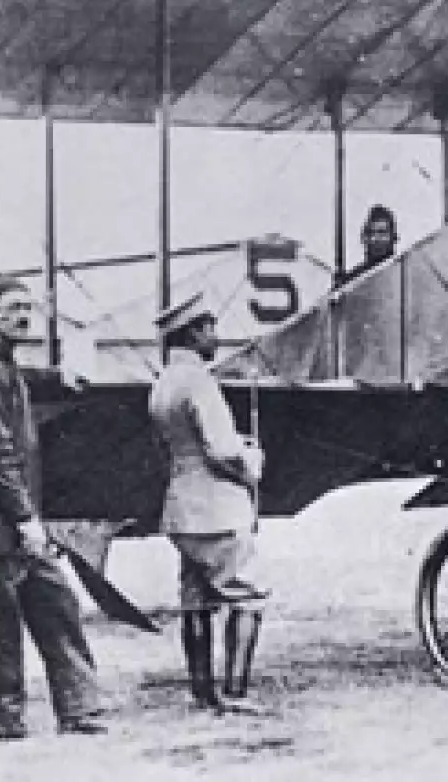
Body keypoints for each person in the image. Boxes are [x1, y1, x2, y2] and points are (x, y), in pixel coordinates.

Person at [0, 274, 106, 739]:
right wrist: (24, 519)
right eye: (13, 308)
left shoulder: (2, 369)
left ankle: (76, 709)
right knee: (2, 620)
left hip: (9, 517)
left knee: (54, 603)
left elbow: (20, 382)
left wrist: (58, 377)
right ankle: (8, 720)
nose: (24, 316)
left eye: (28, 308)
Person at [148, 295, 268, 714]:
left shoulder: (163, 381)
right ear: (194, 332)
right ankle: (236, 694)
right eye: (210, 327)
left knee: (196, 599)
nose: (215, 336)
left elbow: (166, 449)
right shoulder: (200, 381)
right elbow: (222, 451)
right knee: (247, 596)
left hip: (182, 507)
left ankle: (202, 691)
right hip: (218, 507)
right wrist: (251, 464)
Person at [336, 204, 398, 288]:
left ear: (393, 237)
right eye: (370, 233)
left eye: (382, 233)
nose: (375, 239)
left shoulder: (402, 275)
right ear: (364, 238)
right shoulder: (351, 281)